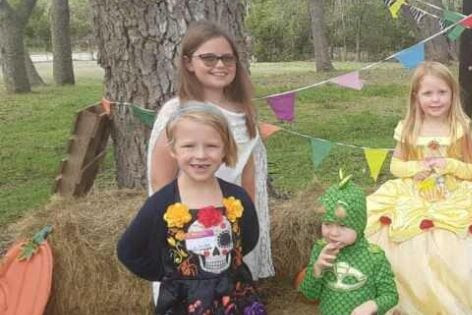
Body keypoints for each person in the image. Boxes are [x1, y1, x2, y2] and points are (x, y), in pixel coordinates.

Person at [146, 20, 274, 282]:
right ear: (189, 63)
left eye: (228, 58)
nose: (220, 65)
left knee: (229, 291)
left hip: (230, 222)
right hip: (191, 229)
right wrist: (184, 230)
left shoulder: (243, 112)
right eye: (209, 58)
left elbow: (248, 177)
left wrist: (242, 222)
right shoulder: (177, 111)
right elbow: (161, 180)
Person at [364, 61, 472, 314]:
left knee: (449, 246)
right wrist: (415, 169)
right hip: (414, 192)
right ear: (416, 96)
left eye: (442, 92)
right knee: (401, 242)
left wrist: (450, 164)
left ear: (452, 94)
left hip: (452, 195)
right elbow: (396, 166)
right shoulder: (409, 128)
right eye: (428, 93)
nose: (435, 99)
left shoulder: (460, 126)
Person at [118, 103, 264, 314]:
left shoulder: (237, 198)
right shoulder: (161, 203)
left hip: (235, 297)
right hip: (186, 304)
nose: (201, 155)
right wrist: (171, 275)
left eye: (212, 146)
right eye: (189, 146)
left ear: (225, 148)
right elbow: (129, 251)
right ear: (173, 150)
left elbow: (249, 238)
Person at [299, 172, 398, 315]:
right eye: (327, 224)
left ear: (359, 225)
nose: (333, 233)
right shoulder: (321, 250)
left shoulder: (374, 257)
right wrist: (317, 269)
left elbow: (390, 295)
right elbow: (309, 295)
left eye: (343, 226)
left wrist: (373, 305)